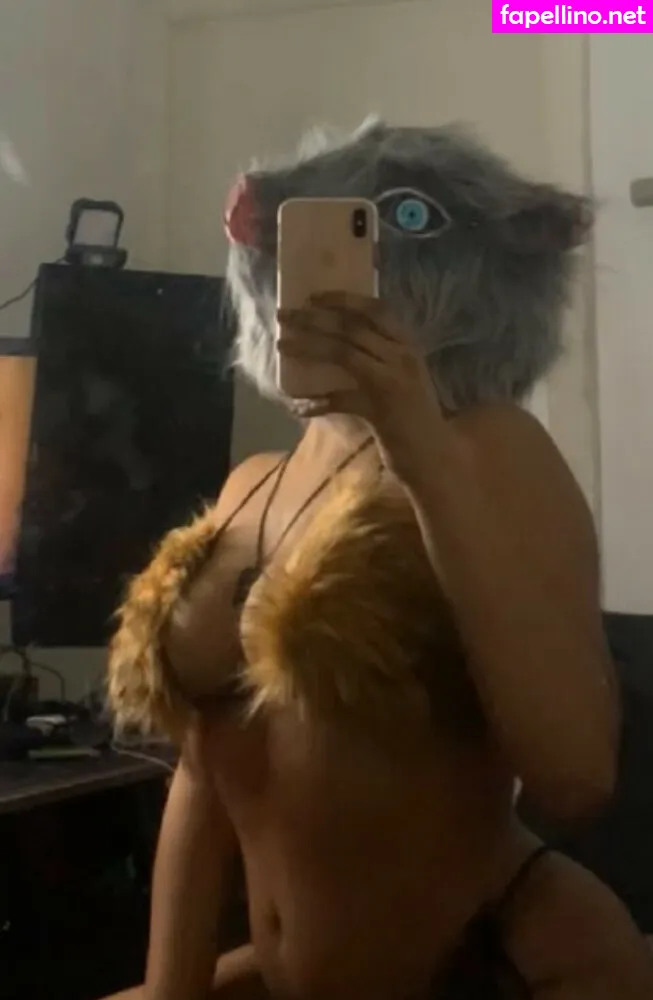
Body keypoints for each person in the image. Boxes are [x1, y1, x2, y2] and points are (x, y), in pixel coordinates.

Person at [106, 121, 653, 999]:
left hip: (495, 966)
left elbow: (575, 775)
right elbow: (206, 763)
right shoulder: (255, 483)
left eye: (387, 223)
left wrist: (418, 450)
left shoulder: (489, 448)